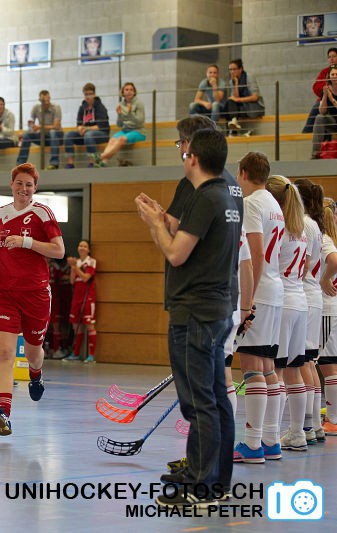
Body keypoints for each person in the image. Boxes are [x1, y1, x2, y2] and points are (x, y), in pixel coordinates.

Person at [135, 128, 239, 507]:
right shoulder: (226, 195)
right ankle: (217, 481)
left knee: (198, 401)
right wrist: (163, 217)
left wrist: (153, 223)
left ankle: (200, 486)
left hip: (195, 311)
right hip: (217, 307)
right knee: (216, 397)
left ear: (192, 157)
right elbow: (193, 241)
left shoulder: (204, 197)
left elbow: (176, 253)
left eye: (183, 150)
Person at [0, 163, 64, 436]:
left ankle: (36, 373)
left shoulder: (42, 213)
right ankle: (3, 412)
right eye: (19, 183)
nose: (23, 188)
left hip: (35, 295)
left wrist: (26, 242)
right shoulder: (3, 212)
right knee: (5, 353)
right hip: (5, 294)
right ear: (11, 185)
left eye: (28, 185)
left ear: (35, 188)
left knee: (33, 352)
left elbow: (59, 250)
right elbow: (1, 240)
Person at [233, 152, 284, 464]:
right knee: (267, 368)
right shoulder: (275, 204)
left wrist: (247, 301)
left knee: (252, 367)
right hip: (275, 292)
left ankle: (252, 444)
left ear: (243, 173)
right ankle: (271, 440)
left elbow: (255, 253)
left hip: (261, 292)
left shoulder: (251, 203)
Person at [263, 175, 309, 452]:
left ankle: (270, 436)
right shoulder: (301, 229)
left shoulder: (278, 228)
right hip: (301, 302)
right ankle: (297, 433)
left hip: (283, 303)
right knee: (295, 371)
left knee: (276, 371)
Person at [293, 179, 326, 444]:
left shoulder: (303, 223)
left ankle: (306, 426)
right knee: (309, 362)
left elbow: (302, 264)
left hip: (304, 292)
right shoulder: (314, 224)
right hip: (312, 295)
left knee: (302, 362)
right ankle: (314, 424)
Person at [318, 197, 337, 436]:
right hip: (331, 306)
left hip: (326, 307)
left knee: (327, 364)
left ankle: (332, 419)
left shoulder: (324, 239)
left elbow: (333, 261)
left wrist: (324, 279)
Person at [96, 82, 145, 167]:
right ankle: (103, 163)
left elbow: (140, 122)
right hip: (125, 130)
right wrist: (119, 115)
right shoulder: (121, 104)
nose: (129, 91)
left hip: (138, 131)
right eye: (127, 90)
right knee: (112, 140)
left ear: (134, 92)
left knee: (121, 139)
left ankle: (101, 156)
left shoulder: (139, 103)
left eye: (131, 90)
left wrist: (130, 113)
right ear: (123, 92)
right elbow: (119, 124)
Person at [64, 83, 110, 169]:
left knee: (89, 135)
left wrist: (87, 128)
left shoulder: (100, 107)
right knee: (68, 135)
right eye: (86, 94)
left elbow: (101, 126)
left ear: (94, 94)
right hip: (85, 134)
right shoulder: (82, 108)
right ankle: (70, 164)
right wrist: (80, 128)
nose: (88, 96)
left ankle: (93, 162)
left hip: (102, 134)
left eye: (90, 94)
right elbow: (79, 124)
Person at [16, 90, 63, 170]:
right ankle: (20, 164)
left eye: (47, 98)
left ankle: (54, 163)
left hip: (57, 136)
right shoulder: (36, 108)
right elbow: (31, 123)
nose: (46, 101)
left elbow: (56, 126)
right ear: (40, 100)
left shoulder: (56, 107)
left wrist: (40, 127)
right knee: (26, 135)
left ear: (50, 98)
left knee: (52, 132)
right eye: (44, 100)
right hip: (43, 137)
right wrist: (32, 127)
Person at [68, 240, 97, 363]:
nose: (82, 248)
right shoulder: (77, 262)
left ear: (88, 250)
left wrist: (75, 267)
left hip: (88, 297)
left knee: (90, 326)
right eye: (80, 245)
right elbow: (72, 281)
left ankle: (91, 356)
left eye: (85, 246)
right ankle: (75, 354)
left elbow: (85, 278)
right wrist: (73, 267)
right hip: (76, 297)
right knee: (76, 326)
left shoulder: (91, 261)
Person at [224, 59, 265, 133]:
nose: (232, 72)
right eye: (230, 69)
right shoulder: (232, 81)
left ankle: (231, 130)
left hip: (253, 107)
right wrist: (236, 83)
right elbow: (235, 97)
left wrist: (238, 100)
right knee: (229, 103)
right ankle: (233, 124)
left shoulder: (249, 77)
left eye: (234, 69)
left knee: (230, 105)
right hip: (242, 107)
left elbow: (255, 97)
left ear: (240, 69)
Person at [303, 48, 337, 134]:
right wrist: (327, 88)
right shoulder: (324, 72)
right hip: (326, 99)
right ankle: (306, 133)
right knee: (317, 107)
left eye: (334, 56)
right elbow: (315, 87)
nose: (331, 59)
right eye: (329, 57)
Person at [312, 66, 337, 159]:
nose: (335, 76)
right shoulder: (327, 89)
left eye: (336, 74)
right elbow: (322, 111)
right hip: (333, 122)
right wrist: (325, 95)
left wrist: (331, 98)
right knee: (319, 117)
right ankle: (316, 153)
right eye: (332, 74)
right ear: (329, 77)